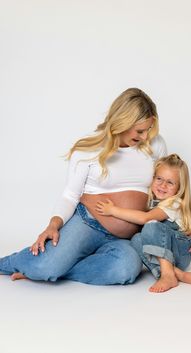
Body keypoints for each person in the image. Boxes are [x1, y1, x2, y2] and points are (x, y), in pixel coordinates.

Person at [0, 87, 167, 285]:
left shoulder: (155, 146)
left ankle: (59, 270)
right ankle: (20, 264)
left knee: (126, 270)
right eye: (140, 131)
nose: (145, 137)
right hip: (87, 223)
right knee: (44, 267)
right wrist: (53, 225)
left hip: (126, 238)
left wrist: (183, 226)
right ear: (123, 122)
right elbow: (70, 195)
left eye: (148, 130)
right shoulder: (89, 150)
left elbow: (166, 192)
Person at [95, 154, 191, 292]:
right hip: (171, 256)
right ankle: (177, 273)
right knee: (137, 239)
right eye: (159, 179)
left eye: (170, 182)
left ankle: (167, 275)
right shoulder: (154, 202)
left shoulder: (174, 203)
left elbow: (145, 218)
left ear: (179, 188)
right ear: (152, 179)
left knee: (151, 225)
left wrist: (113, 210)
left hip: (180, 252)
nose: (163, 185)